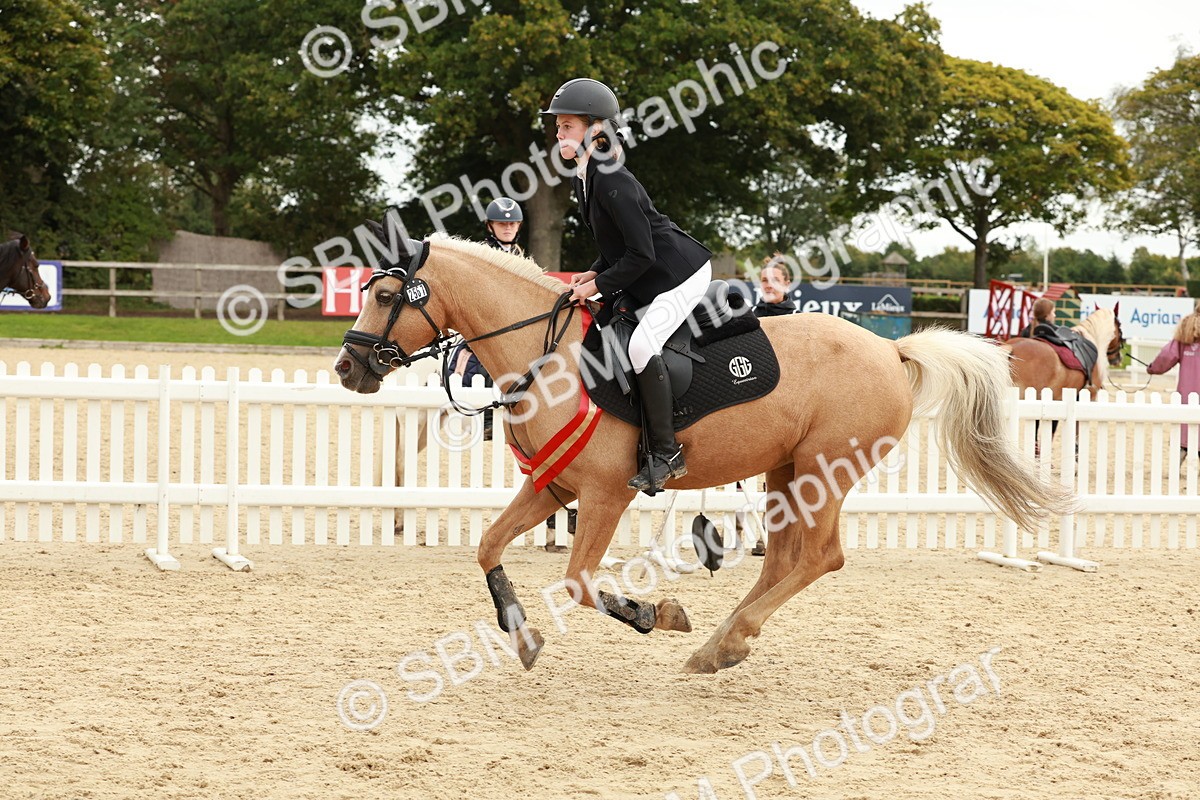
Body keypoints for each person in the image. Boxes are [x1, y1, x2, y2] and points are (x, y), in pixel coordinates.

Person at [550, 78, 714, 493]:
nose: (558, 133)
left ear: (594, 129)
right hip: (650, 271)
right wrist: (594, 270)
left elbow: (641, 253)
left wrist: (598, 286)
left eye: (566, 126)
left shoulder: (613, 179)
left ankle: (666, 452)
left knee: (642, 346)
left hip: (680, 273)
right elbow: (615, 244)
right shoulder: (586, 178)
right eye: (558, 126)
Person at [1147, 300, 1200, 458]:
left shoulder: (1185, 331)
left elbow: (1167, 355)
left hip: (1187, 391)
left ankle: (1181, 454)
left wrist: (1152, 368)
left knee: (1184, 425)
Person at [753, 253, 798, 318]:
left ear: (786, 285)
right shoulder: (749, 315)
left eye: (775, 281)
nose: (769, 285)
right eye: (764, 280)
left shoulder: (797, 317)